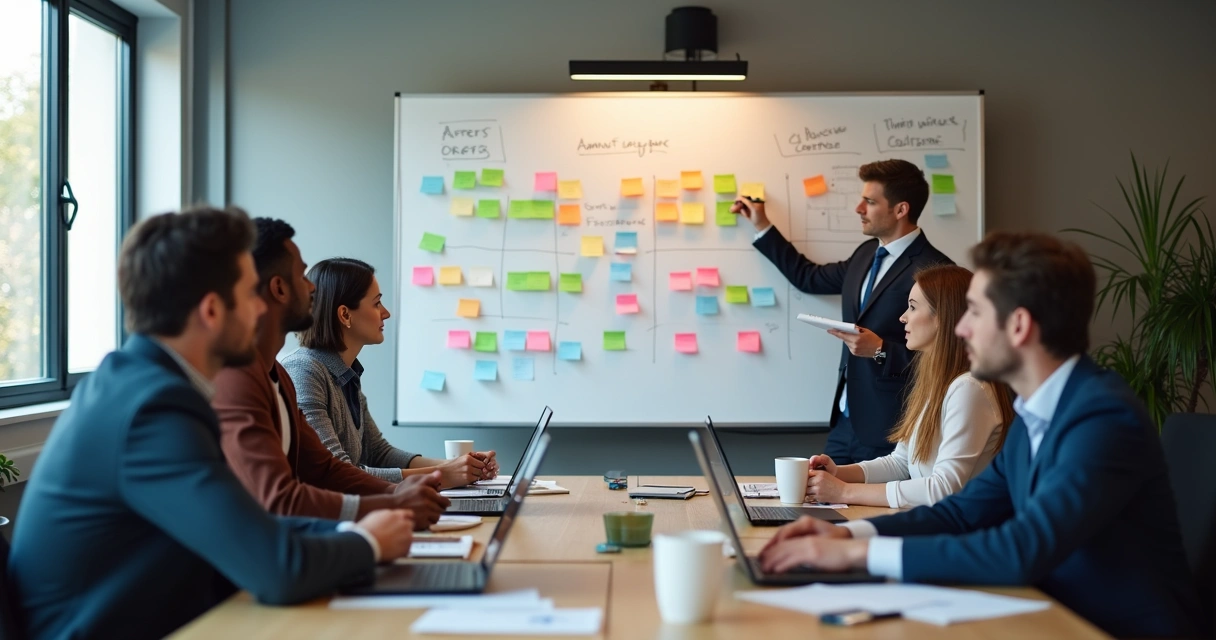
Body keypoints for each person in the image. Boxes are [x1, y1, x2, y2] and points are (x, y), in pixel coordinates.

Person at [756, 232, 1204, 638]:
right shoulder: (1037, 411)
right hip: (1053, 613)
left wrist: (859, 558)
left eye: (975, 312)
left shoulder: (1101, 418)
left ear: (1019, 325)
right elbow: (960, 514)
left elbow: (1022, 549)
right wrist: (850, 537)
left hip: (1109, 627)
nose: (962, 327)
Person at [8, 208, 416, 640]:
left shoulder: (143, 384)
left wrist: (358, 528)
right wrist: (367, 543)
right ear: (211, 311)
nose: (262, 308)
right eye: (248, 295)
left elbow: (250, 527)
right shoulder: (153, 410)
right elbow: (276, 568)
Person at [212, 218, 449, 528]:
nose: (312, 287)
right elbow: (280, 499)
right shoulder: (246, 378)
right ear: (279, 288)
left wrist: (398, 493)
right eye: (302, 275)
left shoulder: (279, 377)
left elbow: (326, 469)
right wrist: (392, 506)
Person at [734, 159, 952, 464]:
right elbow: (807, 277)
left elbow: (947, 358)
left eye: (870, 201)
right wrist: (762, 225)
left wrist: (880, 350)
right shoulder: (865, 255)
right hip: (844, 422)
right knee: (823, 501)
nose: (859, 208)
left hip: (894, 429)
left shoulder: (937, 271)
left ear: (900, 209)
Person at [803, 264, 1013, 508]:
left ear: (942, 317)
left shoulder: (969, 389)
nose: (902, 317)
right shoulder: (936, 383)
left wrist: (844, 493)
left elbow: (943, 488)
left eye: (913, 307)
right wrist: (838, 473)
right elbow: (901, 462)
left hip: (956, 532)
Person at [282, 258, 498, 488]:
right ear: (345, 315)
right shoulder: (304, 371)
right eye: (376, 304)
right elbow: (338, 473)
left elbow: (378, 453)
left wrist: (459, 466)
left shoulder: (346, 375)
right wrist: (442, 474)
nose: (386, 313)